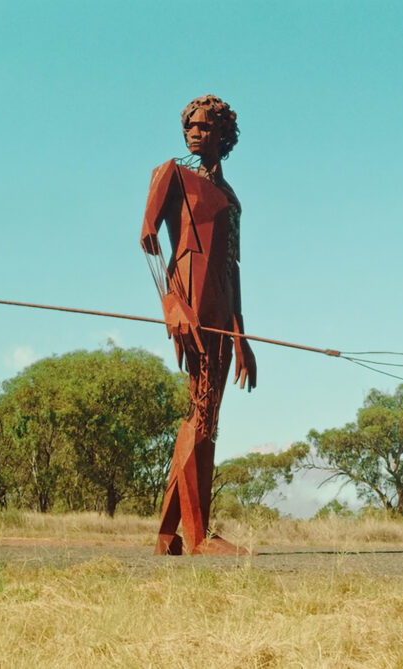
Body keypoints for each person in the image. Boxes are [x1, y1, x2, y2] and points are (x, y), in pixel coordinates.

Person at [140, 94, 257, 555]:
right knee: (201, 414)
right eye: (190, 125)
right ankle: (197, 534)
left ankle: (169, 534)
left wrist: (242, 334)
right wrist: (173, 306)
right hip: (188, 305)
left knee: (205, 416)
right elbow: (149, 242)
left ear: (222, 135)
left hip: (222, 314)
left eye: (206, 127)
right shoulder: (172, 173)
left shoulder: (230, 198)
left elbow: (232, 267)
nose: (195, 132)